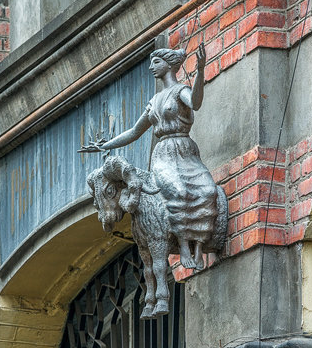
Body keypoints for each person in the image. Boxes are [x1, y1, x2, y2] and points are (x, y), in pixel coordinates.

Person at [82, 44, 217, 270]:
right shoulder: (154, 102)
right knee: (177, 190)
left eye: (156, 62)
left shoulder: (179, 91)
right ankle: (184, 244)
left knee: (207, 190)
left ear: (169, 64)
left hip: (185, 149)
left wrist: (201, 71)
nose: (151, 67)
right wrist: (107, 144)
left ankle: (199, 246)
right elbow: (134, 132)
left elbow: (195, 102)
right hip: (164, 154)